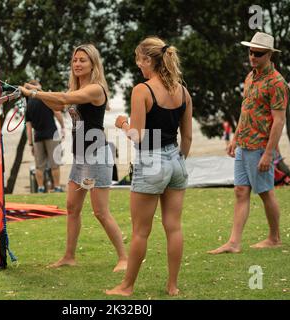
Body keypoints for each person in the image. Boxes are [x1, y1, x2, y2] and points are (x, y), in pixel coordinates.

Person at [20, 44, 128, 272]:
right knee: (72, 207)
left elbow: (63, 98)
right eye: (75, 60)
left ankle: (124, 258)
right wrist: (36, 93)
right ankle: (69, 256)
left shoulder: (96, 89)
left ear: (93, 64)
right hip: (81, 158)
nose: (77, 64)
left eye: (83, 60)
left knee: (100, 212)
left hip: (97, 156)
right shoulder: (76, 87)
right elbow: (58, 102)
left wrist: (33, 93)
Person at [106, 36, 192, 296]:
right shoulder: (183, 91)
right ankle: (173, 286)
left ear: (148, 60)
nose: (137, 65)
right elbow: (187, 137)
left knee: (141, 232)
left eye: (139, 59)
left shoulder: (142, 90)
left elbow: (137, 136)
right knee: (173, 227)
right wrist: (176, 160)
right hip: (176, 160)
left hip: (151, 160)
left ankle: (126, 286)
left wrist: (122, 123)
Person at [208, 32, 288, 254]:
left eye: (258, 53)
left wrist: (269, 154)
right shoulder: (250, 77)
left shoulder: (277, 83)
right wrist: (235, 138)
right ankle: (234, 243)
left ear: (270, 54)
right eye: (251, 52)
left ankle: (275, 238)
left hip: (260, 147)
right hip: (243, 144)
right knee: (241, 191)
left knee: (265, 191)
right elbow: (246, 110)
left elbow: (279, 121)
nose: (253, 56)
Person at [25, 80, 65, 193]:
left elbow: (28, 127)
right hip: (51, 134)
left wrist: (30, 143)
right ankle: (57, 187)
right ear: (39, 87)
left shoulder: (28, 104)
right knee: (55, 164)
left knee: (39, 166)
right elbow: (57, 113)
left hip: (37, 137)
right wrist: (62, 127)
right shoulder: (46, 98)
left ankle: (41, 188)